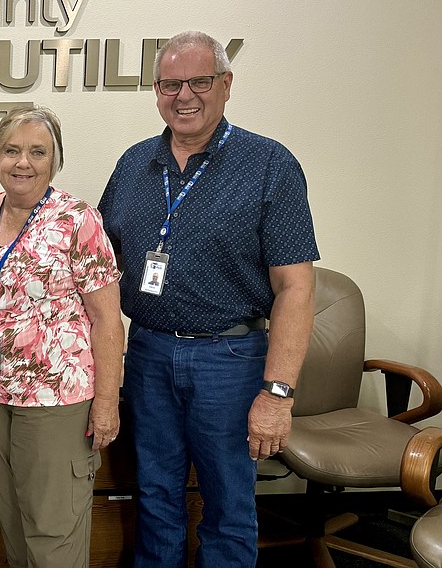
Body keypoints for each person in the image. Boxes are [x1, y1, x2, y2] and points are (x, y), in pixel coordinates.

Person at [98, 31, 318, 567]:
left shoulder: (269, 164)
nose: (185, 96)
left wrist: (278, 394)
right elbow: (100, 266)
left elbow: (296, 288)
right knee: (155, 495)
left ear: (226, 85)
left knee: (227, 505)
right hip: (147, 353)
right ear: (156, 91)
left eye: (199, 81)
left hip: (232, 361)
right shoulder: (133, 165)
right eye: (171, 84)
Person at [0, 106, 124, 567]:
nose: (23, 162)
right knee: (12, 521)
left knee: (53, 530)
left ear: (55, 161)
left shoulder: (77, 220)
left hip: (55, 399)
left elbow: (108, 320)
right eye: (12, 150)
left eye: (38, 152)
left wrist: (107, 403)